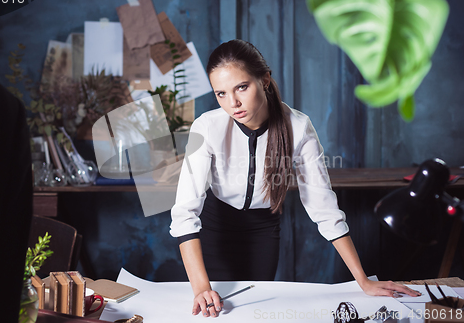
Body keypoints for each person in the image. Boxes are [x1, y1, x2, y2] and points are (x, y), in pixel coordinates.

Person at [169, 39, 420, 318]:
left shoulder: (299, 127)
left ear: (264, 79)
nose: (233, 103)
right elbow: (185, 210)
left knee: (255, 313)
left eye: (242, 87)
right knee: (214, 312)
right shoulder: (207, 126)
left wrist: (362, 280)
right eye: (221, 93)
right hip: (215, 228)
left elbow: (323, 207)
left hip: (263, 229)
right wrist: (201, 287)